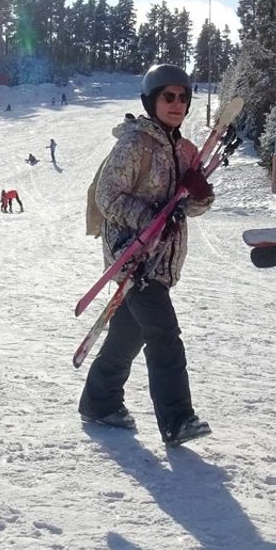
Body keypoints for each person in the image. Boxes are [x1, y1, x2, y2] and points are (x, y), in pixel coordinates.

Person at [78, 63, 215, 447]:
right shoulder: (135, 143)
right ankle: (177, 419)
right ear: (151, 100)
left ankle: (99, 402)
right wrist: (150, 216)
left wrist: (201, 195)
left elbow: (190, 207)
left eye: (183, 97)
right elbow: (109, 196)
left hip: (162, 258)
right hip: (132, 257)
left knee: (128, 334)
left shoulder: (184, 150)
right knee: (164, 333)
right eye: (167, 96)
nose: (176, 104)